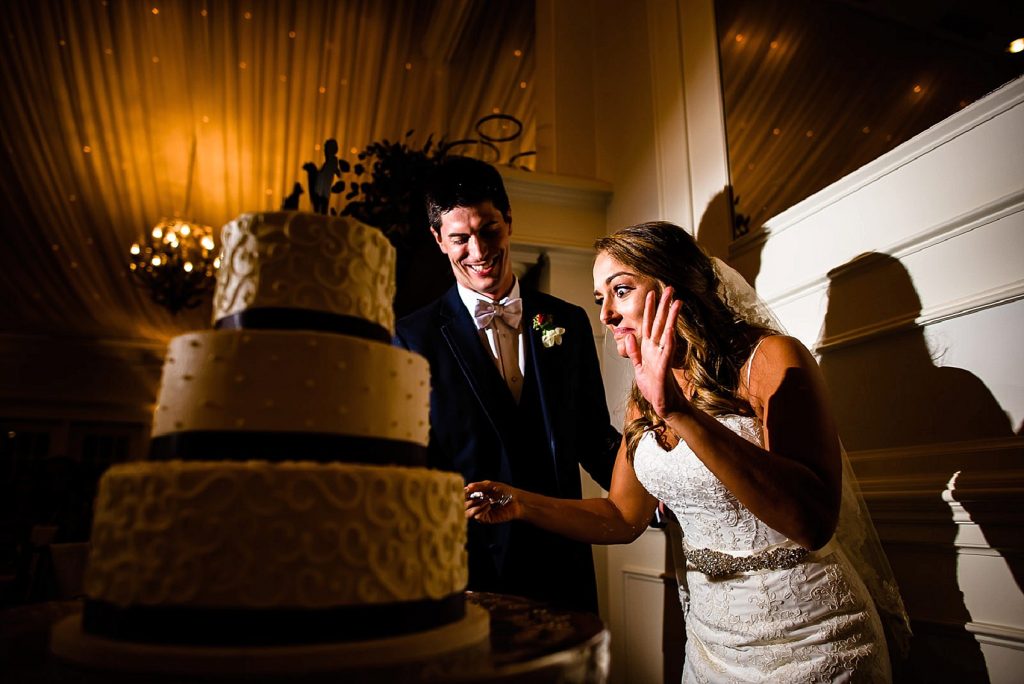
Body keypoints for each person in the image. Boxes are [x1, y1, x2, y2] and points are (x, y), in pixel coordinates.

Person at [466, 221, 911, 681]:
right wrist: (521, 503)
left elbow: (813, 523)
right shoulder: (644, 397)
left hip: (809, 638)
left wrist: (680, 413)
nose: (606, 316)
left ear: (671, 286)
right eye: (601, 300)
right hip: (710, 645)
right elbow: (622, 516)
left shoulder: (772, 359)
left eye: (620, 291)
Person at [393, 156, 620, 613]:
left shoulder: (568, 322)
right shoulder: (411, 338)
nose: (478, 251)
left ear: (509, 220)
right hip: (470, 572)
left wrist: (657, 491)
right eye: (460, 238)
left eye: (489, 229)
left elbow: (594, 438)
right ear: (439, 240)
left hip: (562, 561)